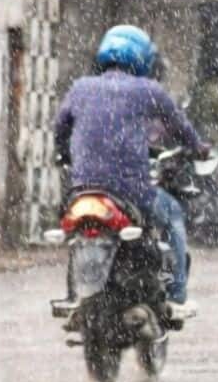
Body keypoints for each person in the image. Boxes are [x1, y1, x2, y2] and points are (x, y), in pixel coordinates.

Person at [54, 25, 207, 314]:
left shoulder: (80, 88)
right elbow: (181, 127)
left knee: (77, 234)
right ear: (142, 58)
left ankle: (72, 293)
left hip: (82, 190)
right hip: (131, 190)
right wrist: (198, 148)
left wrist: (63, 154)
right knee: (173, 215)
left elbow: (60, 128)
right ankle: (177, 294)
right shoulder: (147, 90)